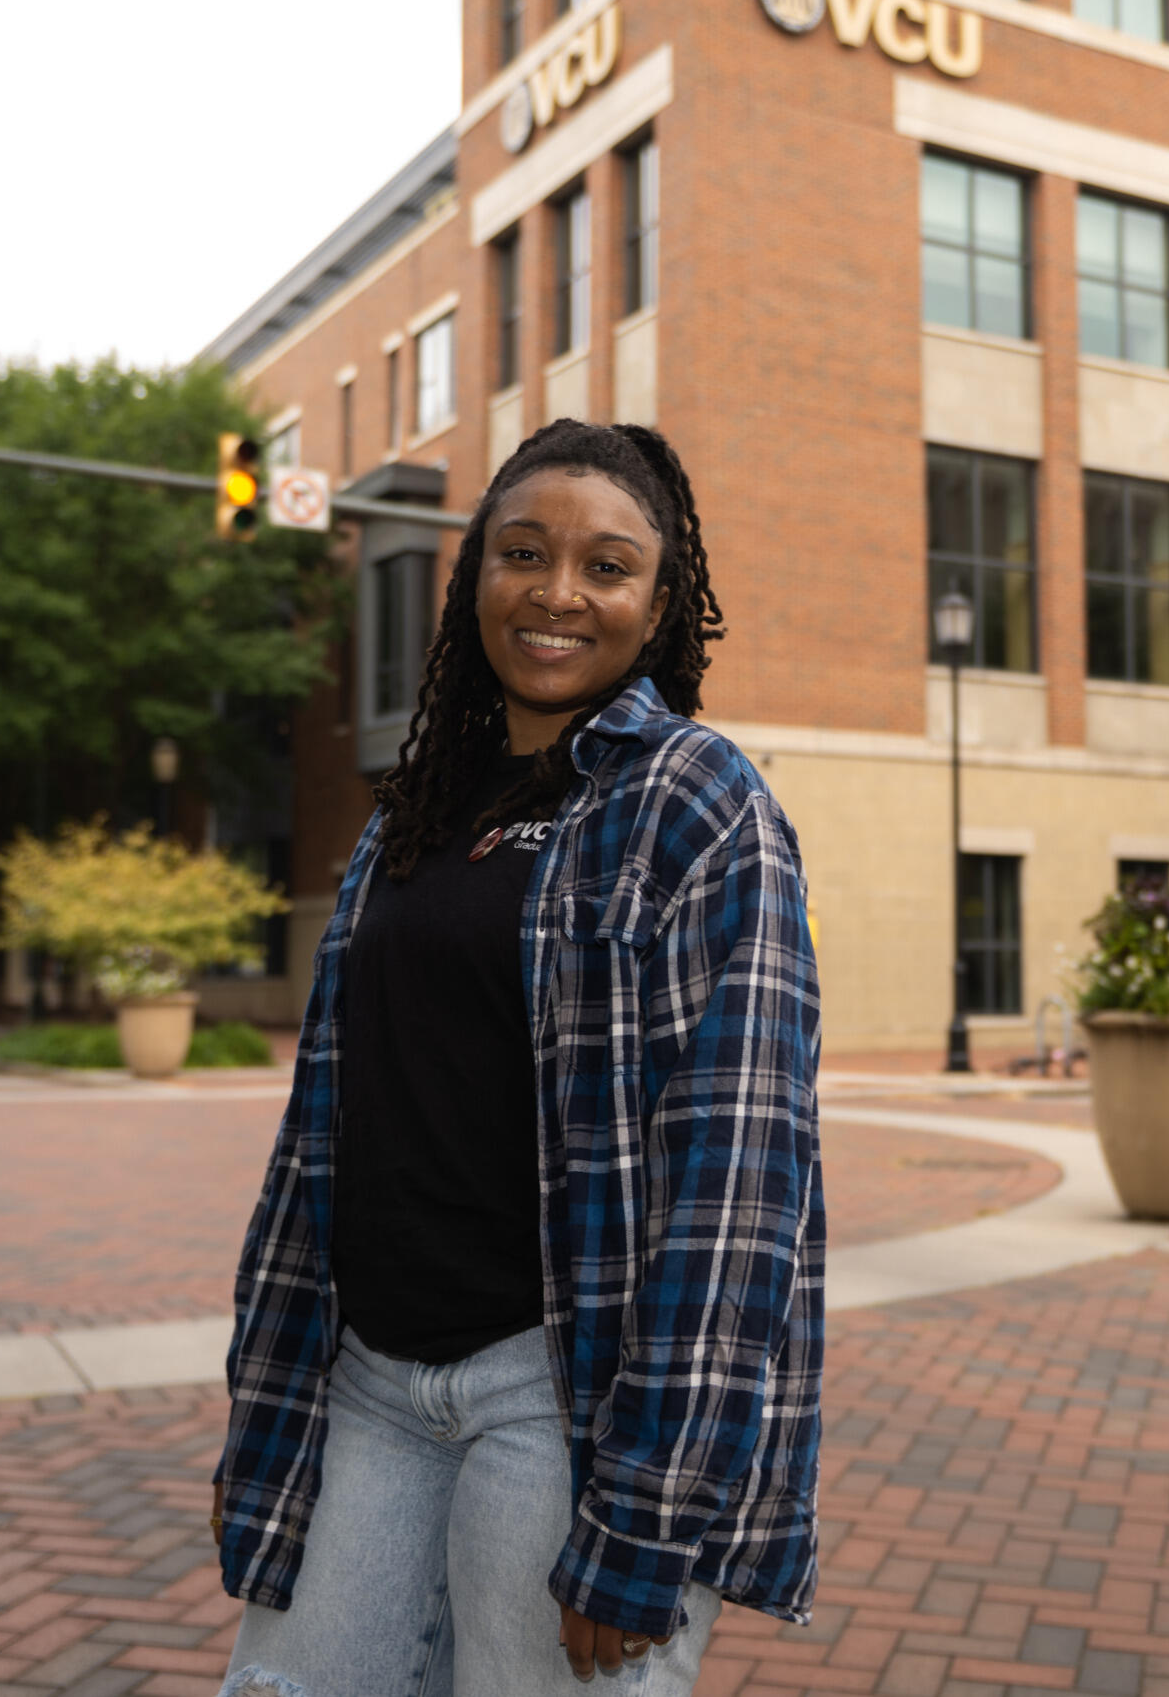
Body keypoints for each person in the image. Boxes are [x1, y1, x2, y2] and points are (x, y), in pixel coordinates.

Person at [212, 420, 824, 1696]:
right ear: (473, 576)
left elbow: (738, 1180)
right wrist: (268, 1420)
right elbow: (320, 1132)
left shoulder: (695, 802)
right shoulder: (413, 813)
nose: (557, 593)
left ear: (661, 606)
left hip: (561, 1401)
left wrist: (646, 1513)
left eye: (607, 567)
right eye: (523, 553)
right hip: (368, 1381)